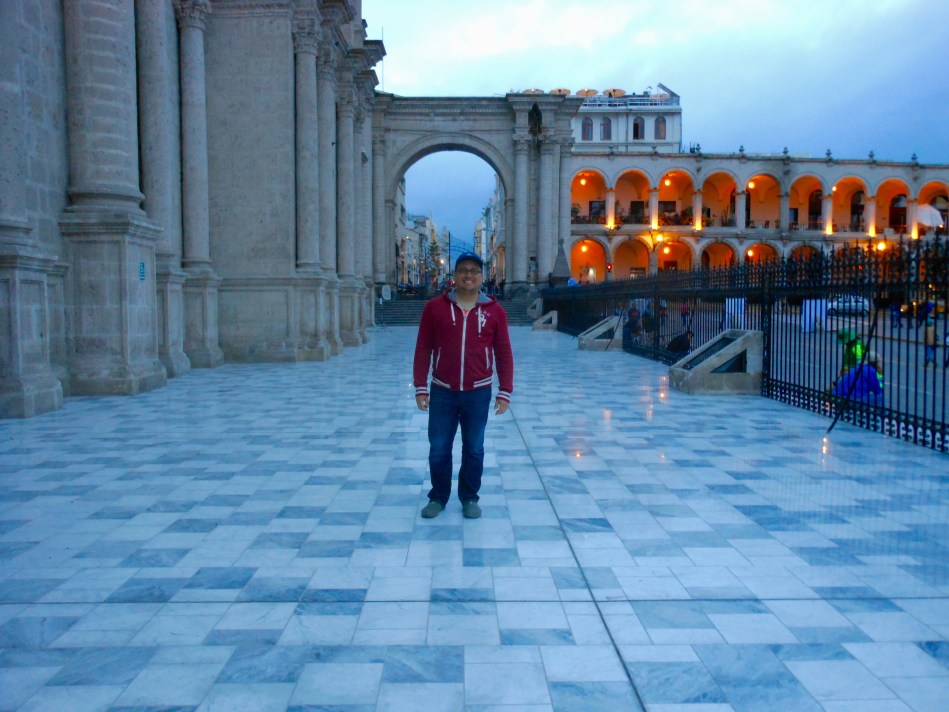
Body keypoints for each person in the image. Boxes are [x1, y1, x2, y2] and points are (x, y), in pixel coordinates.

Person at [413, 251, 514, 520]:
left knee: (474, 448)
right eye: (463, 270)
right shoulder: (434, 308)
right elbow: (423, 347)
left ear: (481, 276)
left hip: (478, 392)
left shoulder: (494, 312)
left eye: (474, 271)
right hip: (442, 390)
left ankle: (469, 497)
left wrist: (505, 391)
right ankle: (438, 496)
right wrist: (420, 386)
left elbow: (503, 352)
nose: (468, 275)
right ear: (455, 275)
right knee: (439, 447)